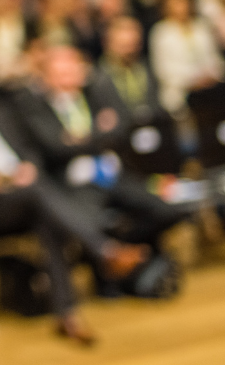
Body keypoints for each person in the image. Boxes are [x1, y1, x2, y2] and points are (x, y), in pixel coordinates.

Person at [0, 59, 149, 344]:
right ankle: (104, 250)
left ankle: (66, 315)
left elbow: (28, 151)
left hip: (22, 194)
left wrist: (27, 167)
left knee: (45, 218)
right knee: (37, 193)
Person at [14, 46, 186, 253]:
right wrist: (98, 133)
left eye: (71, 71)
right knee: (89, 227)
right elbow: (55, 147)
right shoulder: (35, 107)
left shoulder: (96, 94)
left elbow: (120, 130)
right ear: (46, 78)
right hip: (76, 185)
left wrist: (78, 140)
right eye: (60, 74)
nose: (67, 80)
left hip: (116, 175)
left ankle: (133, 251)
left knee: (168, 210)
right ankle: (114, 265)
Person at [149, 0, 225, 115]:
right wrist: (194, 79)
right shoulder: (161, 32)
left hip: (211, 90)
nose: (181, 5)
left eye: (183, 0)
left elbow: (214, 57)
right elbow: (163, 70)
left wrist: (211, 74)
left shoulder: (201, 26)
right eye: (175, 1)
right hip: (181, 95)